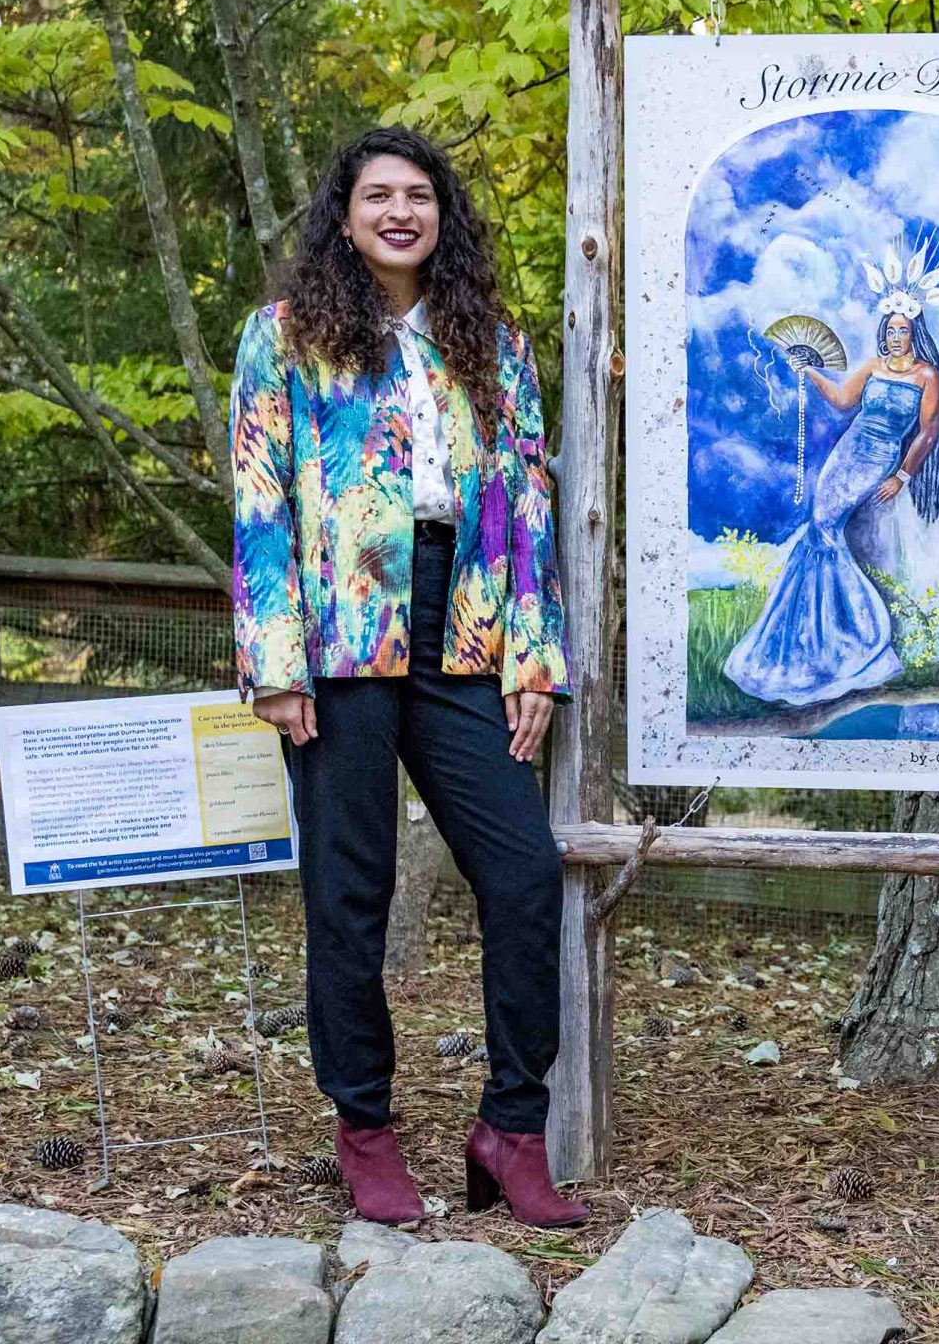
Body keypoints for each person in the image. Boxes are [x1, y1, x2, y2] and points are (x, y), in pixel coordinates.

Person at [229, 125, 585, 1229]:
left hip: (464, 631)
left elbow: (530, 505)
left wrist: (535, 657)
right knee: (350, 894)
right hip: (337, 639)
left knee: (524, 876)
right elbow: (260, 500)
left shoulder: (494, 344)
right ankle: (365, 1132)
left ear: (443, 218)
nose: (399, 212)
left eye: (418, 196)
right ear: (344, 215)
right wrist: (274, 659)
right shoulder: (284, 337)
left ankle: (510, 1130)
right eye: (377, 195)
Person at [724, 255, 939, 706]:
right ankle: (811, 632)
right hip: (845, 454)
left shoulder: (928, 376)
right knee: (821, 526)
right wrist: (810, 372)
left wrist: (904, 474)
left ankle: (858, 633)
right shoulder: (871, 367)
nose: (893, 336)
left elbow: (928, 431)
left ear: (914, 332)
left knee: (827, 533)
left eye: (901, 330)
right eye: (888, 329)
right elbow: (844, 400)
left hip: (880, 456)